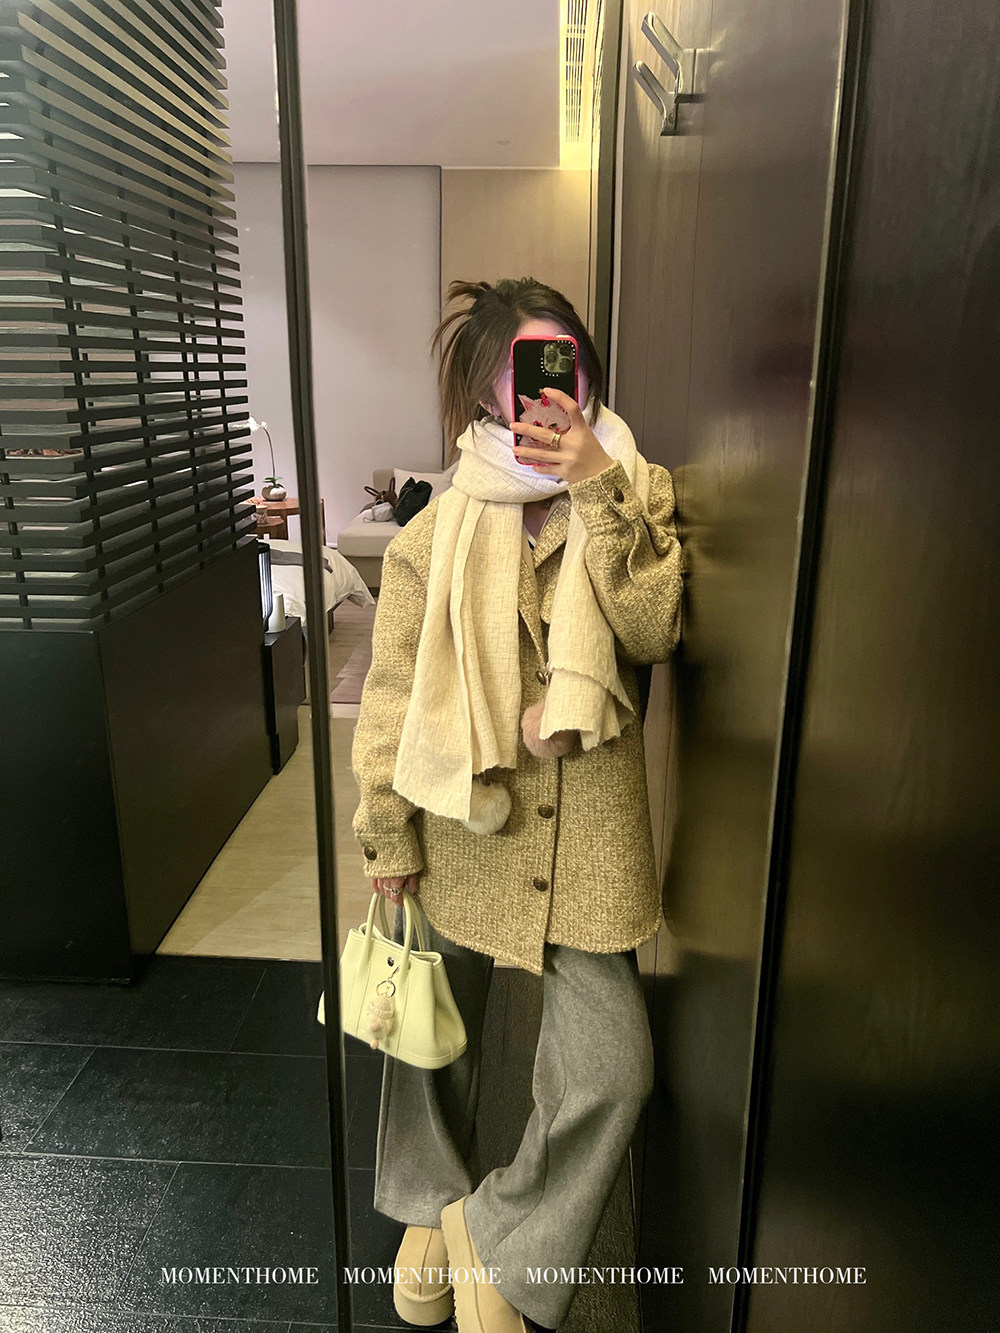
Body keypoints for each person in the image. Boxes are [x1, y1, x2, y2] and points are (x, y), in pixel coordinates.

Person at [350, 277, 684, 1332]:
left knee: (613, 1069)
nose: (546, 392)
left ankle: (491, 1230)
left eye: (561, 363)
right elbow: (392, 694)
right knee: (426, 1032)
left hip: (587, 836)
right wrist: (386, 831)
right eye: (522, 371)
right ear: (484, 393)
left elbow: (653, 627)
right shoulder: (433, 532)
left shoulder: (633, 487)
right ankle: (426, 1207)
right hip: (462, 816)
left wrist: (594, 484)